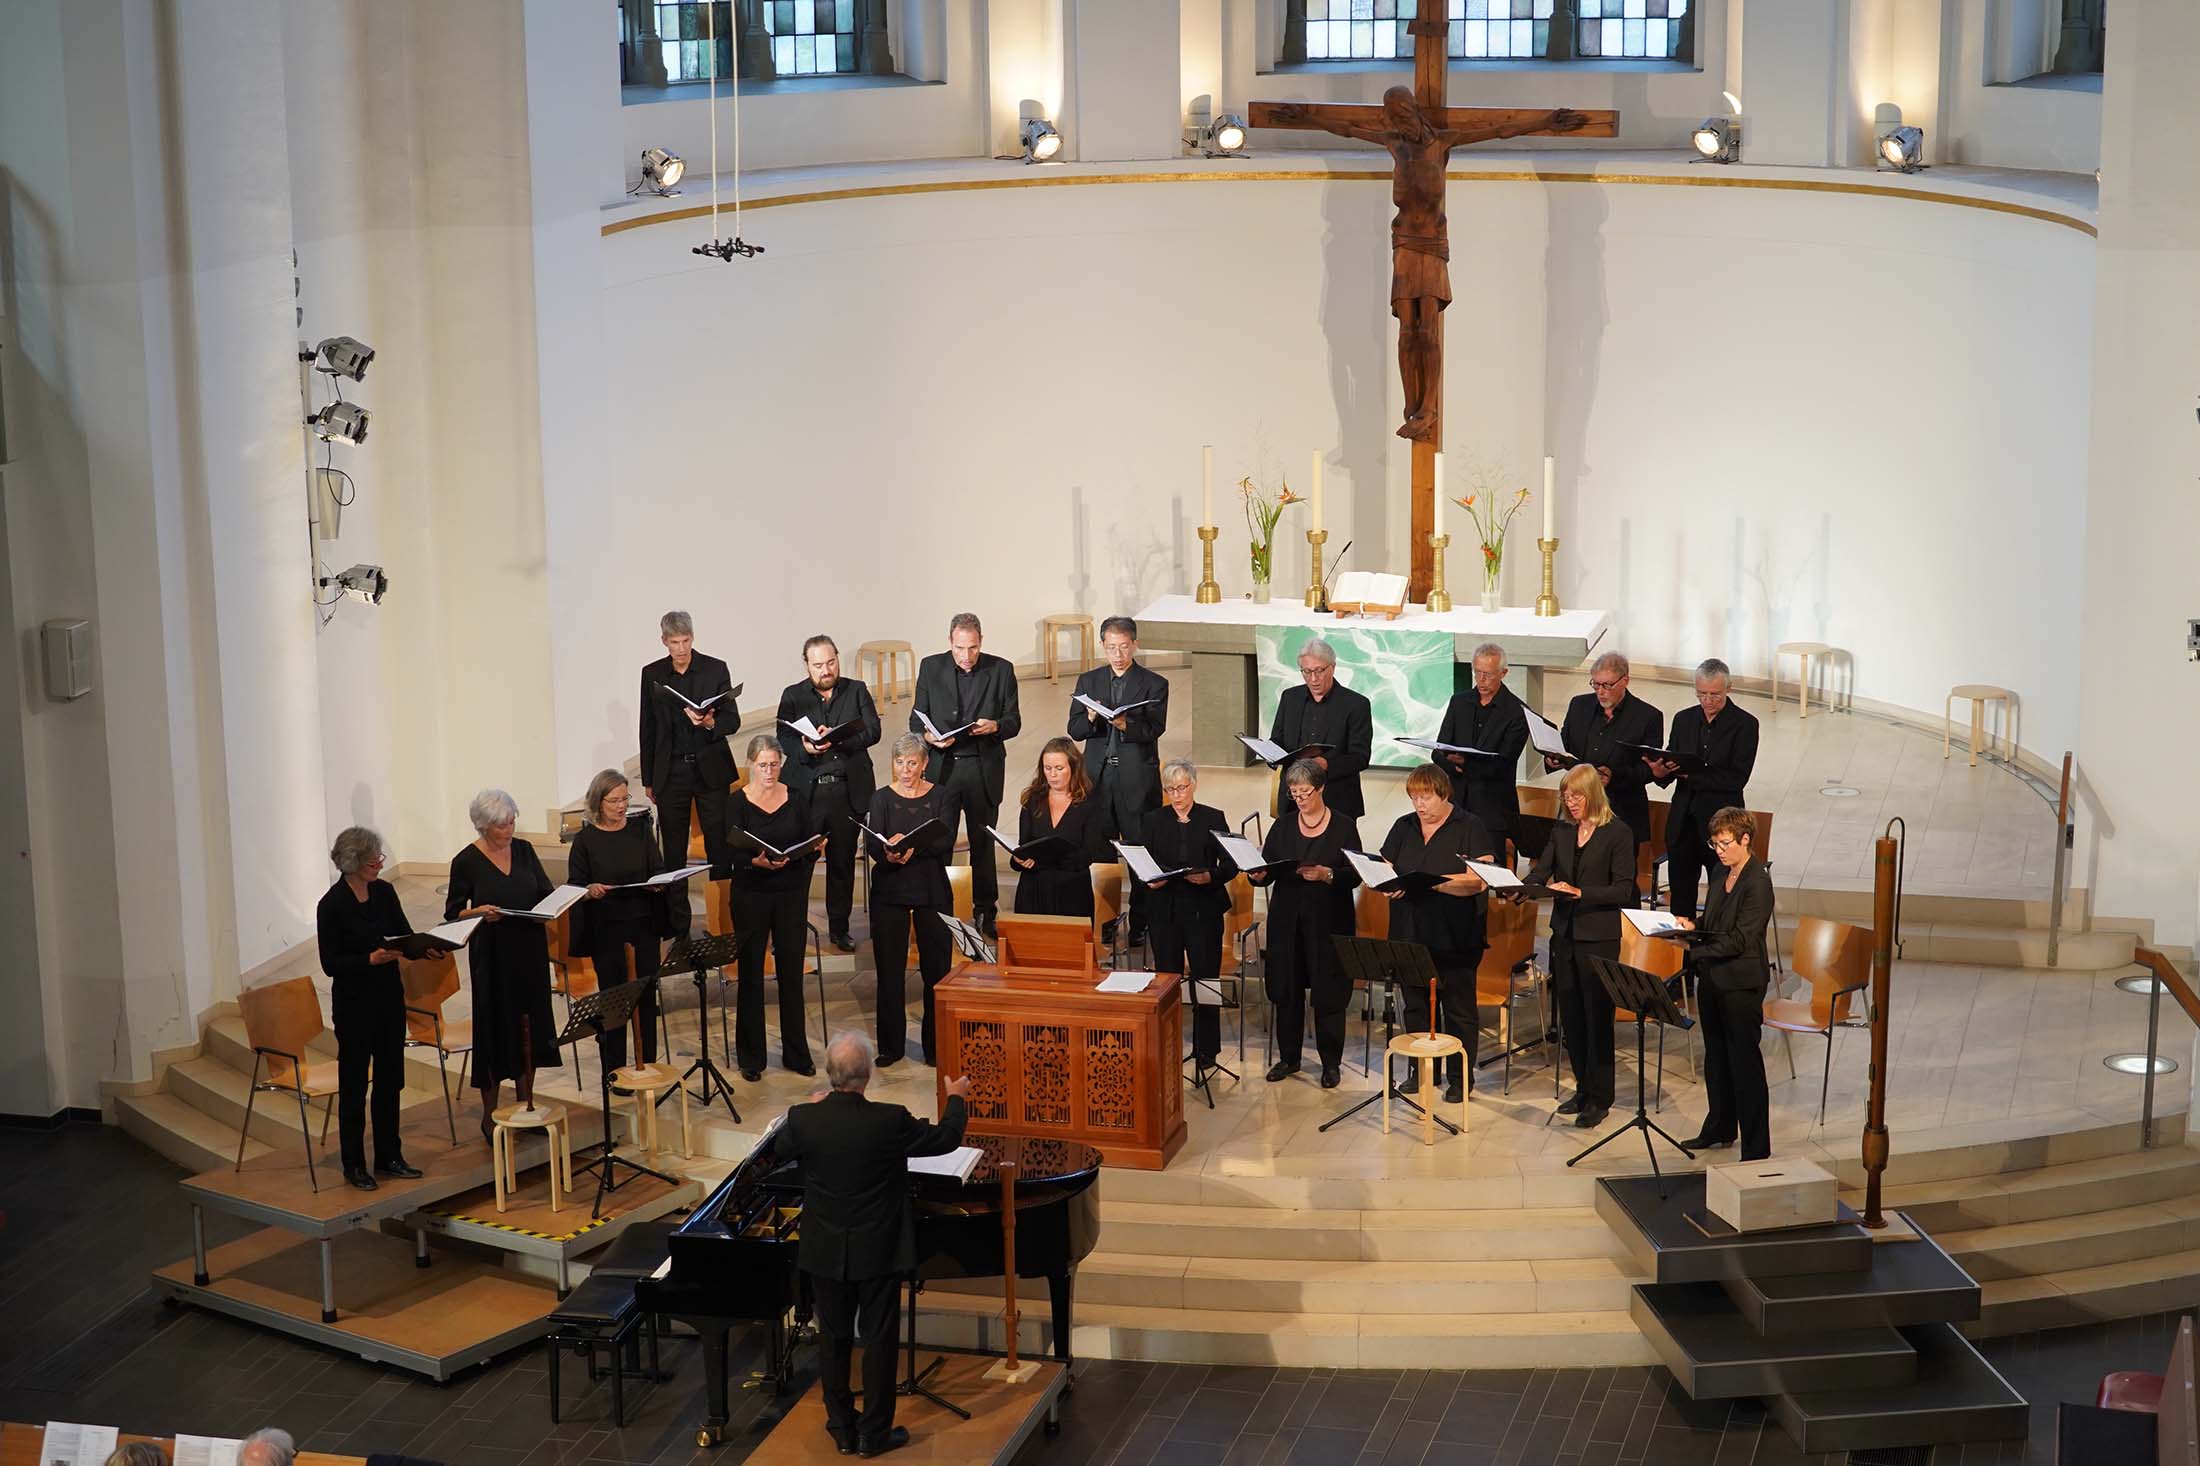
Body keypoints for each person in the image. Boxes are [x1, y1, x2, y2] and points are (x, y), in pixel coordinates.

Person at [780, 1033, 971, 1458]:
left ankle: (842, 1429)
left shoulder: (803, 1118)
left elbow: (777, 1150)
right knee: (879, 1339)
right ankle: (874, 1434)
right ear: (867, 1077)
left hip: (825, 1249)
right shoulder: (888, 1120)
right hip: (879, 1248)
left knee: (833, 1339)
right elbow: (946, 1139)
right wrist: (956, 1097)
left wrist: (809, 1112)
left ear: (830, 1075)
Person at [444, 789, 561, 1141]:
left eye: (512, 821)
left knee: (531, 1027)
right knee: (495, 1029)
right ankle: (490, 1114)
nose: (509, 829)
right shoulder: (465, 861)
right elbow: (453, 914)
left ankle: (527, 1105)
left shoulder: (524, 850)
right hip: (492, 955)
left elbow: (545, 891)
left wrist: (552, 907)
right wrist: (477, 913)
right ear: (483, 827)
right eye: (500, 825)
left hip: (529, 949)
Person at [1526, 764, 1639, 1129]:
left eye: (1576, 796)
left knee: (1597, 1018)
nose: (1570, 802)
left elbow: (1624, 889)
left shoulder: (1618, 832)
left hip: (1599, 939)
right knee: (1571, 1017)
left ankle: (1601, 1097)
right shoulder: (1561, 831)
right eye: (1565, 796)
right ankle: (1583, 1088)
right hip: (1565, 935)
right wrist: (1521, 888)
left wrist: (1579, 892)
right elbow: (1540, 873)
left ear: (1592, 793)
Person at [1377, 763, 1495, 1103]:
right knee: (1415, 1006)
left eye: (1425, 796)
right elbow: (1385, 864)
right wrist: (1389, 883)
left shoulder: (1469, 826)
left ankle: (1460, 1078)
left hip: (1455, 933)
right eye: (1414, 797)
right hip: (1409, 931)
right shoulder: (1404, 826)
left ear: (1443, 793)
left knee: (1458, 1010)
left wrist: (1437, 883)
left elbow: (1479, 879)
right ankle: (1421, 1071)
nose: (1419, 804)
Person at [315, 827, 421, 1191]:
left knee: (392, 1080)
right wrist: (370, 959)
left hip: (389, 998)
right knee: (355, 1084)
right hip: (355, 1005)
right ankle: (354, 1164)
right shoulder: (331, 905)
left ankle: (390, 1155)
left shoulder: (385, 892)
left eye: (380, 857)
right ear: (353, 862)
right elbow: (331, 963)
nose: (380, 863)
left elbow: (404, 934)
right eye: (373, 858)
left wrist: (426, 947)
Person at [1248, 760, 1361, 1088]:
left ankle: (1330, 1063)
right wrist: (1258, 875)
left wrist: (1327, 875)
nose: (1299, 799)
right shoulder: (1283, 827)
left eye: (1304, 793)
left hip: (1329, 922)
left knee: (1328, 993)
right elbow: (1267, 868)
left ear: (1321, 788)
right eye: (1294, 793)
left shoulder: (1343, 826)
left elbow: (1354, 875)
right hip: (1288, 920)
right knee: (1288, 990)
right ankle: (1289, 1057)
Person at [911, 612, 1021, 938]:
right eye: (960, 648)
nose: (967, 655)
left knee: (983, 844)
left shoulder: (1001, 670)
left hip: (981, 768)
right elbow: (917, 722)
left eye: (973, 648)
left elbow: (1014, 721)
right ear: (950, 642)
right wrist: (929, 738)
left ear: (981, 641)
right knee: (940, 842)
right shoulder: (931, 667)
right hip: (943, 768)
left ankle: (986, 911)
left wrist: (996, 726)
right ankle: (940, 910)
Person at [1677, 807, 1776, 1160]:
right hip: (1714, 979)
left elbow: (1740, 939)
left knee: (1744, 1064)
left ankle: (1756, 1146)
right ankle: (1720, 1127)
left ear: (1745, 839)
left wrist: (1695, 951)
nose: (1718, 850)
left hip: (1741, 984)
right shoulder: (1722, 871)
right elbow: (1714, 919)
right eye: (1715, 843)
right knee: (1716, 1059)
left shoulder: (1758, 882)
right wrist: (1691, 928)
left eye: (1724, 843)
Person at [721, 736, 821, 1080]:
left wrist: (809, 850)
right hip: (751, 893)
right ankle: (751, 1057)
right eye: (763, 765)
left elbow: (811, 841)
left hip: (790, 893)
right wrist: (755, 862)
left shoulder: (794, 797)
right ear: (751, 764)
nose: (769, 771)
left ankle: (797, 1054)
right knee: (751, 974)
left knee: (791, 974)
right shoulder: (737, 803)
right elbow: (728, 852)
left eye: (775, 764)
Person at [777, 634, 882, 952]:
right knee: (800, 863)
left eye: (831, 662)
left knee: (842, 863)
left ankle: (839, 928)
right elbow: (784, 736)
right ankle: (791, 928)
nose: (826, 670)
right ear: (807, 665)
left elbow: (873, 731)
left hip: (846, 792)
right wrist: (807, 747)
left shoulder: (857, 690)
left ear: (838, 658)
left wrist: (836, 739)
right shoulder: (793, 695)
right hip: (807, 794)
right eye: (819, 664)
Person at [1068, 615, 1169, 940]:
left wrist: (1127, 726)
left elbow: (1155, 728)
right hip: (1097, 778)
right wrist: (1091, 716)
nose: (1117, 654)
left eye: (1123, 647)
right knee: (1099, 852)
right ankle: (1106, 921)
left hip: (1136, 779)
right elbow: (1074, 729)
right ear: (1103, 646)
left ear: (1134, 645)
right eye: (1111, 648)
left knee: (1139, 850)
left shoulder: (1154, 683)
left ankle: (1141, 922)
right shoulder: (1089, 680)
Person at [569, 770, 671, 1074]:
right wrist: (589, 890)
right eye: (614, 800)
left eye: (625, 798)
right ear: (598, 803)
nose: (621, 806)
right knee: (613, 1000)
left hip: (643, 925)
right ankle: (614, 1070)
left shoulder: (640, 831)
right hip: (607, 928)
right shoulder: (585, 841)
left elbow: (657, 868)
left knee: (645, 995)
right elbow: (576, 885)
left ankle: (648, 1064)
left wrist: (658, 883)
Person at [865, 734, 957, 1065]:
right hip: (890, 891)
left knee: (936, 972)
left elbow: (944, 839)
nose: (905, 770)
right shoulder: (880, 799)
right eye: (900, 763)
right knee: (889, 972)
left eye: (912, 763)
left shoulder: (943, 796)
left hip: (931, 889)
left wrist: (911, 847)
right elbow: (873, 844)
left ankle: (935, 1048)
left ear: (924, 764)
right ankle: (891, 1047)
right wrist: (889, 852)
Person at [1647, 659, 1760, 924]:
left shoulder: (1745, 724)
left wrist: (1692, 775)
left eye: (1714, 695)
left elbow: (1736, 779)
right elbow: (1672, 761)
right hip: (1683, 823)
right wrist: (1661, 772)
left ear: (1728, 689)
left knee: (1721, 901)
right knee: (1681, 902)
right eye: (1702, 694)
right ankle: (1680, 957)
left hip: (1722, 827)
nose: (1707, 701)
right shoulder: (1684, 719)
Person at [1137, 759, 1232, 1068]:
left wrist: (1210, 877)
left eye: (1182, 787)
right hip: (1165, 909)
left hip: (1203, 910)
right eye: (1170, 789)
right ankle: (1168, 1042)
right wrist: (1151, 879)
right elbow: (1138, 861)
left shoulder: (1213, 818)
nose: (1177, 795)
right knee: (1167, 979)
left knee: (1205, 977)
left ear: (1194, 785)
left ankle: (1207, 1050)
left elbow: (1231, 864)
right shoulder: (1152, 820)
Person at [640, 609, 739, 872]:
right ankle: (676, 914)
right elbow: (647, 728)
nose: (681, 649)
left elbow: (733, 721)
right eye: (675, 642)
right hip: (671, 772)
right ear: (664, 641)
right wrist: (649, 779)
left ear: (693, 637)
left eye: (685, 641)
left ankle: (722, 913)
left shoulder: (715, 669)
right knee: (673, 852)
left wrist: (710, 723)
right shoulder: (652, 674)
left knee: (719, 846)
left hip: (710, 769)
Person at [1549, 651, 1663, 850]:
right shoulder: (1579, 705)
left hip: (1620, 808)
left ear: (1625, 680)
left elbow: (1648, 770)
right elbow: (1565, 744)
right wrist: (1553, 758)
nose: (1601, 691)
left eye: (1607, 685)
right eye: (1595, 684)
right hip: (1577, 807)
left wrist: (1615, 776)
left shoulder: (1648, 716)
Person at [1434, 641, 1529, 856]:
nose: (1481, 680)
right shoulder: (1459, 702)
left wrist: (1465, 763)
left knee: (1489, 869)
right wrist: (1452, 764)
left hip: (1492, 808)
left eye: (1488, 674)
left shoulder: (1517, 712)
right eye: (1477, 673)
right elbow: (1437, 751)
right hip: (1454, 802)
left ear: (1503, 673)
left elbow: (1504, 764)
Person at [1267, 638, 1374, 820]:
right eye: (1307, 672)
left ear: (1332, 667)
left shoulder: (1356, 705)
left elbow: (1360, 758)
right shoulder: (1290, 698)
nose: (1313, 679)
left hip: (1336, 797)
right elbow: (1277, 739)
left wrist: (1326, 764)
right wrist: (1270, 754)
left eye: (1319, 671)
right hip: (1293, 797)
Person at [1009, 737, 1105, 919]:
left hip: (1071, 892)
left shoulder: (1090, 804)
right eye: (1048, 768)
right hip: (1033, 891)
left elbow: (1088, 854)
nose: (1052, 774)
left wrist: (1045, 860)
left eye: (1059, 768)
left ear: (1073, 768)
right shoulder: (1032, 801)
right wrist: (1019, 860)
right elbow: (1024, 846)